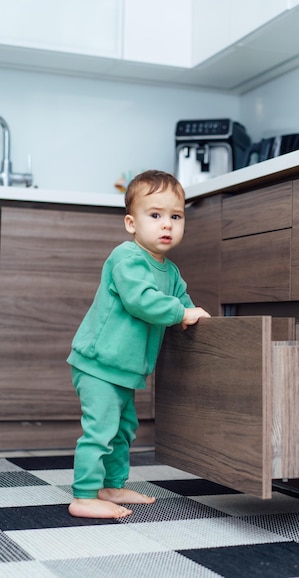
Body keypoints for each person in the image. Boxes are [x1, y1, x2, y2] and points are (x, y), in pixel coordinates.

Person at [67, 170, 211, 519]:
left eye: (175, 217)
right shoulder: (126, 258)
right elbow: (141, 300)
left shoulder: (171, 272)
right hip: (98, 363)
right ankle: (83, 496)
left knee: (123, 430)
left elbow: (183, 303)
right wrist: (182, 312)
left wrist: (199, 320)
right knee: (100, 428)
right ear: (131, 223)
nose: (167, 225)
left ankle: (112, 486)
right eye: (155, 215)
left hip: (126, 369)